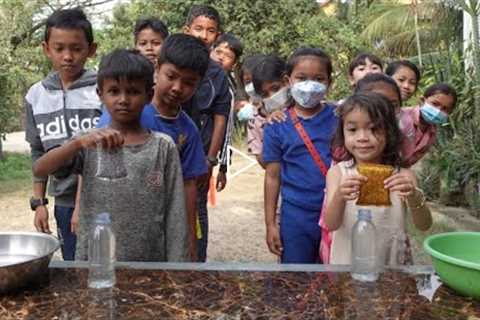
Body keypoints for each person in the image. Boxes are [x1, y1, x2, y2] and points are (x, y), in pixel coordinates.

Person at [32, 49, 189, 262]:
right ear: (100, 94)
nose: (123, 99)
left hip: (151, 264)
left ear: (148, 95)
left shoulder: (163, 147)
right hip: (95, 264)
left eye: (133, 91)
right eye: (114, 91)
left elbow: (175, 215)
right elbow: (40, 168)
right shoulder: (88, 143)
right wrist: (77, 143)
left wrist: (177, 269)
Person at [97, 35, 210, 261]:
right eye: (171, 76)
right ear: (157, 67)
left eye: (188, 82)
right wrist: (82, 206)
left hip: (162, 219)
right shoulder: (124, 112)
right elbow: (93, 161)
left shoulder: (188, 130)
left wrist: (188, 235)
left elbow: (189, 186)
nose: (178, 88)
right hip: (119, 216)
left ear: (198, 84)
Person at [24, 9, 100, 261]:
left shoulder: (103, 89)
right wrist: (39, 202)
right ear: (46, 49)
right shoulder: (36, 96)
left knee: (106, 263)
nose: (67, 56)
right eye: (59, 48)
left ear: (91, 49)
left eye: (76, 48)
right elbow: (38, 151)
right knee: (73, 265)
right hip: (65, 200)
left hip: (103, 197)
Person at [324, 92, 432, 264]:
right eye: (352, 130)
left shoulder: (404, 176)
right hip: (348, 263)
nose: (362, 138)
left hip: (393, 265)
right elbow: (330, 224)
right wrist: (339, 196)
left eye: (374, 129)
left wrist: (413, 195)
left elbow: (424, 225)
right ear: (342, 133)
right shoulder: (338, 173)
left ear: (389, 133)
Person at [263, 48, 337, 263]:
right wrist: (270, 224)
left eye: (319, 78)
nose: (309, 84)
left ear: (329, 82)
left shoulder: (340, 119)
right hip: (296, 216)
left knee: (335, 278)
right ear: (288, 81)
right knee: (295, 279)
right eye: (302, 78)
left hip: (336, 212)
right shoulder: (276, 124)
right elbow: (272, 177)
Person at [183, 4, 232, 262]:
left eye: (210, 31)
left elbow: (220, 119)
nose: (203, 35)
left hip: (201, 159)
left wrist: (210, 160)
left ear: (218, 35)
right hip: (171, 154)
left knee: (197, 211)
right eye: (198, 28)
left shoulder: (217, 74)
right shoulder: (174, 63)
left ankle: (196, 265)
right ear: (186, 29)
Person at [210, 32, 244, 192]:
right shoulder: (195, 77)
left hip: (206, 158)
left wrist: (223, 167)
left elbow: (227, 129)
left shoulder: (228, 89)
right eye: (218, 52)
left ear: (234, 64)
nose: (221, 58)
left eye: (228, 56)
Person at [397, 83, 457, 166]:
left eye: (445, 108)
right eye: (435, 104)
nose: (438, 111)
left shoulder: (432, 131)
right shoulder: (400, 116)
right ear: (422, 101)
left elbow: (410, 161)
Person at [248, 55, 287, 168]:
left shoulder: (305, 109)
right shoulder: (257, 120)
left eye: (275, 88)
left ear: (287, 81)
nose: (272, 96)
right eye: (265, 94)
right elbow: (264, 163)